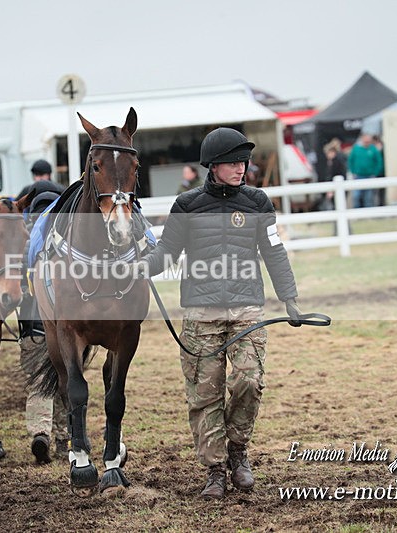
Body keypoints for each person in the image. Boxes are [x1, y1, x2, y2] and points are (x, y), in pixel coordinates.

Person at [133, 127, 302, 500]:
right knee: (204, 395)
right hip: (200, 312)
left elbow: (274, 252)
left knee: (248, 381)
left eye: (243, 161)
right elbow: (167, 252)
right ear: (213, 166)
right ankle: (214, 470)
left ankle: (238, 451)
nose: (241, 168)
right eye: (232, 162)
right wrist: (142, 265)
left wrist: (289, 298)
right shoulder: (187, 205)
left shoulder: (258, 202)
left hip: (247, 308)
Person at [19, 190, 68, 463]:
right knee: (65, 381)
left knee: (39, 384)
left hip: (33, 331)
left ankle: (41, 433)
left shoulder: (25, 245)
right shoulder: (67, 242)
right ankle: (64, 439)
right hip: (66, 330)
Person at [347, 134, 382, 208]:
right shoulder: (356, 149)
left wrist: (375, 172)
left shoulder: (373, 149)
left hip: (369, 176)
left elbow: (378, 161)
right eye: (366, 141)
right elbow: (350, 161)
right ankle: (357, 213)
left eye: (368, 141)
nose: (367, 143)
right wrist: (352, 171)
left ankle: (368, 215)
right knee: (356, 196)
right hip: (358, 176)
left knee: (368, 197)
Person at [317, 139, 347, 211]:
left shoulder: (336, 162)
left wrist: (331, 189)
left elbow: (333, 175)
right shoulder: (331, 162)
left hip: (336, 186)